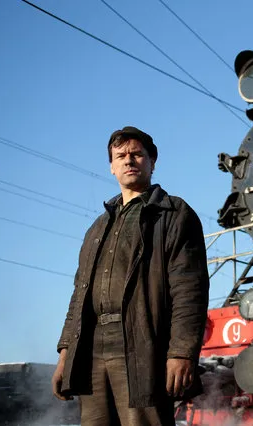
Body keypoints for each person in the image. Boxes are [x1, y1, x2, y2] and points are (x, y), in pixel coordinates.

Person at [50, 126, 210, 425]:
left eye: (137, 154)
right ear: (111, 166)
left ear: (152, 161)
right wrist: (65, 355)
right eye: (120, 156)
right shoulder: (97, 227)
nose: (129, 160)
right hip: (92, 347)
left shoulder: (173, 214)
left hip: (141, 345)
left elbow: (190, 289)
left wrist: (181, 353)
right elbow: (79, 295)